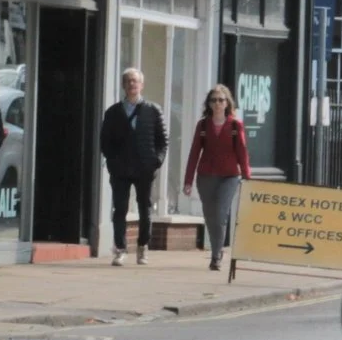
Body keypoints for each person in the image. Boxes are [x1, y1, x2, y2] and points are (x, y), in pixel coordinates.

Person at [99, 67, 169, 265]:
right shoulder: (113, 112)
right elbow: (104, 141)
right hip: (120, 169)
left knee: (145, 208)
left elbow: (163, 140)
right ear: (123, 85)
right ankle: (120, 249)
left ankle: (142, 246)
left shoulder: (153, 110)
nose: (132, 84)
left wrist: (156, 161)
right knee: (119, 209)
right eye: (128, 81)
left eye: (135, 81)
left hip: (145, 168)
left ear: (141, 85)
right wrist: (112, 161)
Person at [184, 84, 253, 271]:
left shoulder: (235, 125)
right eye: (213, 100)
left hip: (229, 177)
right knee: (210, 215)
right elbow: (194, 153)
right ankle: (217, 248)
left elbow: (242, 152)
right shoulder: (203, 125)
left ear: (227, 103)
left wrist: (247, 176)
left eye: (221, 100)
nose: (217, 103)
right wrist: (188, 181)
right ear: (209, 103)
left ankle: (216, 255)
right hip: (206, 176)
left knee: (221, 214)